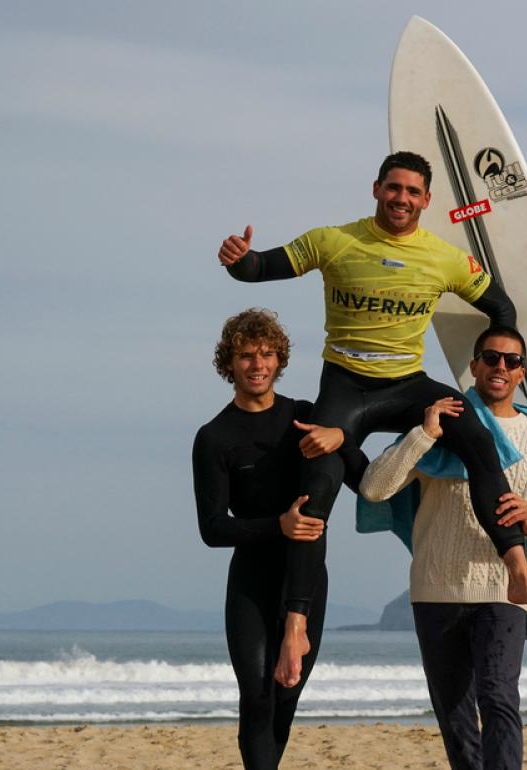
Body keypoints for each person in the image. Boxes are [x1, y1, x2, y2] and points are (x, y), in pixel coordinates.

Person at [218, 151, 527, 688]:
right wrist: (239, 259)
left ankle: (516, 564)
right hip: (345, 388)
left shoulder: (444, 259)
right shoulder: (335, 242)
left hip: (408, 385)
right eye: (393, 188)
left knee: (476, 437)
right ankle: (296, 625)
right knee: (315, 490)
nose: (401, 199)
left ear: (426, 200)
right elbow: (260, 268)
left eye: (412, 192)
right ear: (376, 188)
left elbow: (502, 310)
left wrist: (489, 373)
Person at [359, 327, 527, 770]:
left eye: (511, 361)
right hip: (435, 589)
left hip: (503, 590)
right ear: (472, 366)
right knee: (455, 721)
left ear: (522, 373)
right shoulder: (444, 426)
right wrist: (424, 434)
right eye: (490, 358)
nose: (500, 367)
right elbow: (374, 489)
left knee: (498, 698)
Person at [191, 308, 366, 769]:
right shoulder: (214, 437)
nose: (257, 364)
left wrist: (341, 436)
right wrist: (277, 526)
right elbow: (212, 528)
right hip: (251, 579)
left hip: (305, 581)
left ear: (280, 359)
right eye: (246, 355)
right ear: (228, 363)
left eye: (267, 354)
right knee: (257, 696)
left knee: (286, 696)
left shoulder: (304, 417)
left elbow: (362, 477)